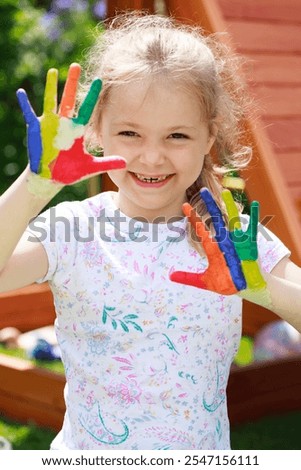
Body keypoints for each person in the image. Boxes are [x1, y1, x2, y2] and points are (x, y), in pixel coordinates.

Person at [0, 12, 301, 450]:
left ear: (208, 137)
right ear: (97, 130)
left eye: (177, 135)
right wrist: (34, 185)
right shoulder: (73, 229)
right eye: (130, 133)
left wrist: (266, 291)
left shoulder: (231, 237)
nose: (153, 157)